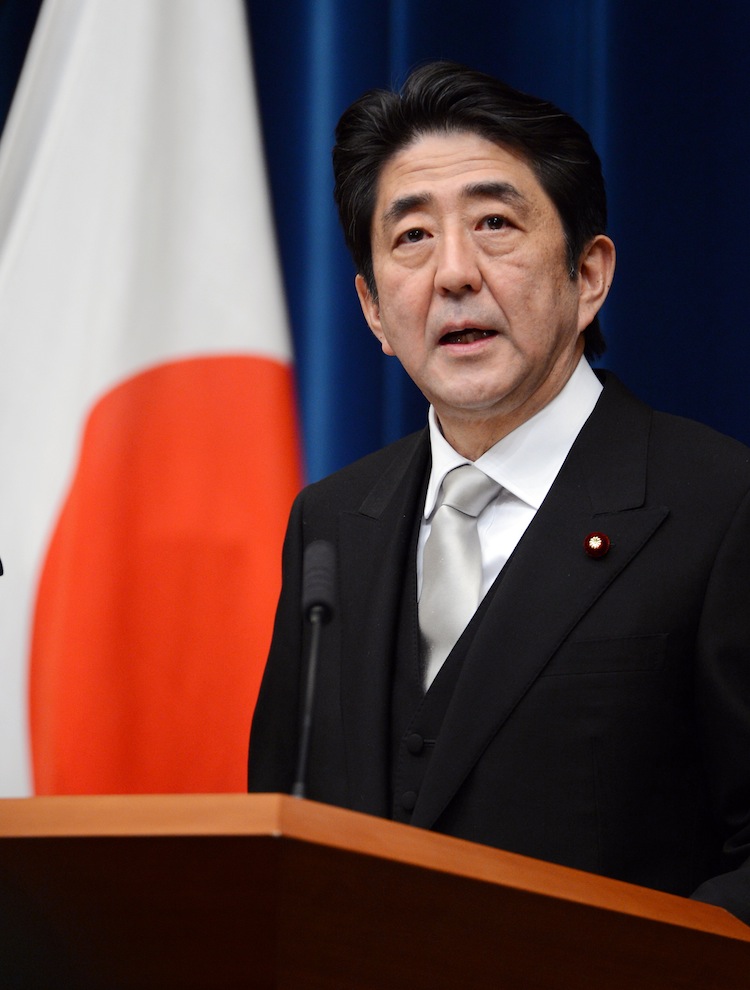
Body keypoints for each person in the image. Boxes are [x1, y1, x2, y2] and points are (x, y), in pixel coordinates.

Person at [248, 62, 750, 924]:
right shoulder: (331, 523)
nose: (453, 274)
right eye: (411, 237)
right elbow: (283, 825)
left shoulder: (721, 504)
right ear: (372, 310)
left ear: (588, 276)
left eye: (494, 223)